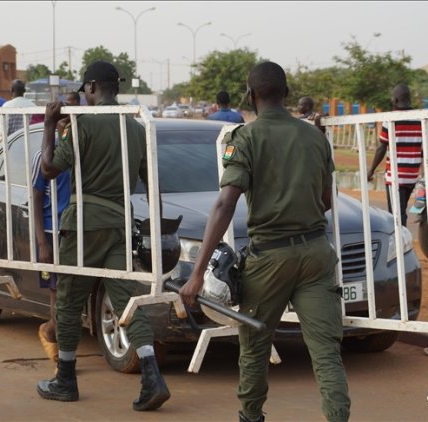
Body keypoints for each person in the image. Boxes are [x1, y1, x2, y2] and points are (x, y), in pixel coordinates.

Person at [179, 61, 351, 422]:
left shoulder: (247, 138)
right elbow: (326, 202)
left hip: (270, 258)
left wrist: (196, 275)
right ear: (286, 93)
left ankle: (252, 416)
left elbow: (226, 202)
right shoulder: (315, 137)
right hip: (317, 254)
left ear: (251, 95)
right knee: (326, 353)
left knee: (255, 349)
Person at [37, 61, 170, 411]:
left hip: (84, 223)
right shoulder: (136, 126)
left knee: (67, 300)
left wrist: (49, 126)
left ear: (92, 87)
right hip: (120, 224)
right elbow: (152, 183)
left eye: (84, 90)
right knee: (127, 301)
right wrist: (154, 231)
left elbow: (49, 169)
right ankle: (152, 375)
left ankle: (65, 379)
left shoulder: (82, 123)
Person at [32, 112, 72, 362]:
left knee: (68, 292)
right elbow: (36, 198)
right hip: (51, 231)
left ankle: (58, 339)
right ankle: (53, 338)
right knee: (56, 292)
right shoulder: (46, 157)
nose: (67, 124)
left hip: (74, 230)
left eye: (72, 118)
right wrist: (42, 243)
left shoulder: (80, 154)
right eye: (63, 119)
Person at [366, 84, 424, 225]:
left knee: (396, 214)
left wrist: (371, 169)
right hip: (412, 175)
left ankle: (400, 243)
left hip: (395, 175)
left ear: (396, 100)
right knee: (401, 209)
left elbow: (382, 148)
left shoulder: (390, 119)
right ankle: (401, 240)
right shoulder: (421, 118)